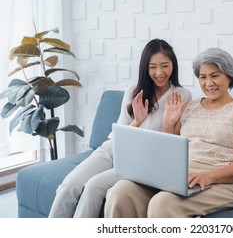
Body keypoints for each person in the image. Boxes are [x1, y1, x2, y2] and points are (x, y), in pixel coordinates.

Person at [104, 48, 233, 218]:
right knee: (120, 192)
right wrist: (168, 124)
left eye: (214, 76)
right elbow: (172, 149)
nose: (208, 84)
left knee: (162, 203)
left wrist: (207, 176)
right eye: (203, 77)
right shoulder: (190, 106)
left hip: (221, 181)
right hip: (181, 176)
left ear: (229, 76)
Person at [48, 39, 192, 217]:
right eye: (153, 66)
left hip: (143, 162)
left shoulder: (182, 95)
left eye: (165, 65)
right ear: (145, 67)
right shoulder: (133, 91)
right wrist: (137, 122)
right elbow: (120, 133)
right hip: (113, 150)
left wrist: (168, 124)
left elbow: (176, 147)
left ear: (173, 66)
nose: (159, 72)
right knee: (69, 185)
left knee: (93, 186)